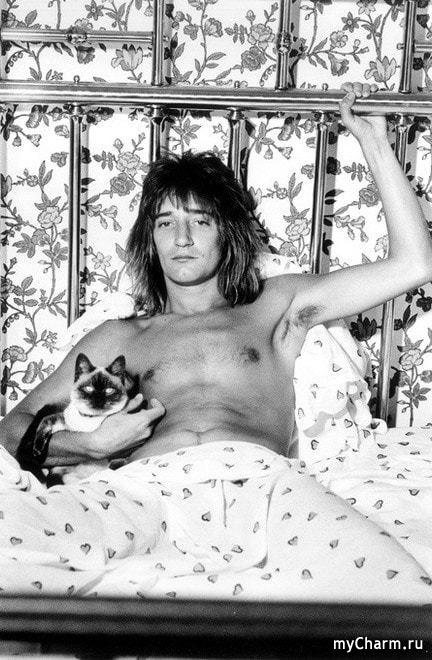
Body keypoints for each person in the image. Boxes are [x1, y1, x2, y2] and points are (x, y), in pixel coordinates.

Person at [0, 82, 431, 601]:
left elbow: (414, 264)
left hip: (265, 485)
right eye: (166, 223)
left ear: (227, 232)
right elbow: (12, 427)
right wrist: (89, 445)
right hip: (142, 491)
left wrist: (374, 143)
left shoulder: (274, 307)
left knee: (396, 591)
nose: (181, 239)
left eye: (199, 222)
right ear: (150, 239)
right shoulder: (119, 335)